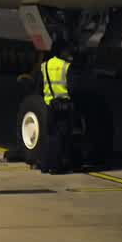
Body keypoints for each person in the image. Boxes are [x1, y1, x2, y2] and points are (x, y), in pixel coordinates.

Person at [39, 39, 78, 173]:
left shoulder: (45, 65)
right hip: (64, 105)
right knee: (62, 136)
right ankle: (57, 167)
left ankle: (45, 165)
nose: (69, 53)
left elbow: (41, 85)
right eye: (67, 50)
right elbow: (72, 87)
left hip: (50, 105)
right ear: (61, 51)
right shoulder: (65, 66)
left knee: (50, 136)